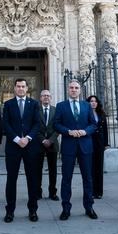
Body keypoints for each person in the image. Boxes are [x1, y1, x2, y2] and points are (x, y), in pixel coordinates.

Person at [54, 80, 98, 220]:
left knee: (88, 178)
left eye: (76, 88)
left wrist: (85, 132)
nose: (74, 90)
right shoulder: (61, 106)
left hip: (85, 146)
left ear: (80, 90)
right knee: (66, 178)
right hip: (68, 146)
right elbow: (56, 124)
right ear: (68, 89)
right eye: (72, 87)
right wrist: (68, 131)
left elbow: (93, 124)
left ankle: (89, 207)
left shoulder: (87, 106)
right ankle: (66, 208)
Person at [2, 78, 41, 223]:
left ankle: (32, 210)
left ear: (27, 88)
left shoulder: (34, 104)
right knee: (11, 179)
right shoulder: (8, 104)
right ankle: (10, 211)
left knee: (32, 179)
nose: (20, 89)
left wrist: (28, 138)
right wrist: (18, 139)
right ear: (14, 88)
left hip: (31, 147)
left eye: (23, 86)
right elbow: (5, 124)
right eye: (18, 86)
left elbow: (37, 124)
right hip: (13, 147)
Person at [36, 90, 59, 201]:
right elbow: (34, 127)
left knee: (53, 170)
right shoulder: (35, 110)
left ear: (51, 98)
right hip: (38, 144)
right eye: (44, 96)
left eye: (48, 96)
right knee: (37, 169)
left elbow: (58, 127)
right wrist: (42, 140)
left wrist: (50, 140)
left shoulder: (56, 110)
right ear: (40, 98)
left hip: (53, 144)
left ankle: (52, 192)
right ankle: (37, 192)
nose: (46, 97)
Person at [87, 95, 109, 199]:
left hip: (99, 143)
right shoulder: (86, 113)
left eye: (95, 101)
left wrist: (105, 143)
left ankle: (99, 191)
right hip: (89, 142)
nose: (93, 103)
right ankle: (91, 191)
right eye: (91, 101)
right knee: (90, 167)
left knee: (99, 167)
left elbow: (105, 129)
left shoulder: (101, 114)